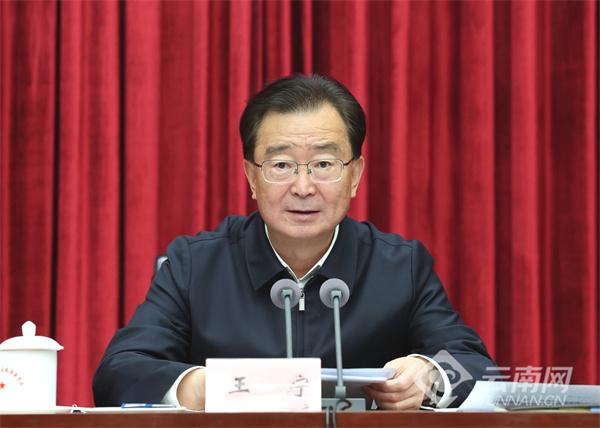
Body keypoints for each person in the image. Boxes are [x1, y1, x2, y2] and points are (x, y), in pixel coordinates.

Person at [93, 74, 496, 410]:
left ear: (355, 175)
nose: (303, 187)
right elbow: (119, 372)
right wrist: (200, 387)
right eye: (282, 165)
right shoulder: (197, 265)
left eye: (323, 164)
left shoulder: (399, 267)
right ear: (251, 177)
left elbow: (475, 365)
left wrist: (429, 375)